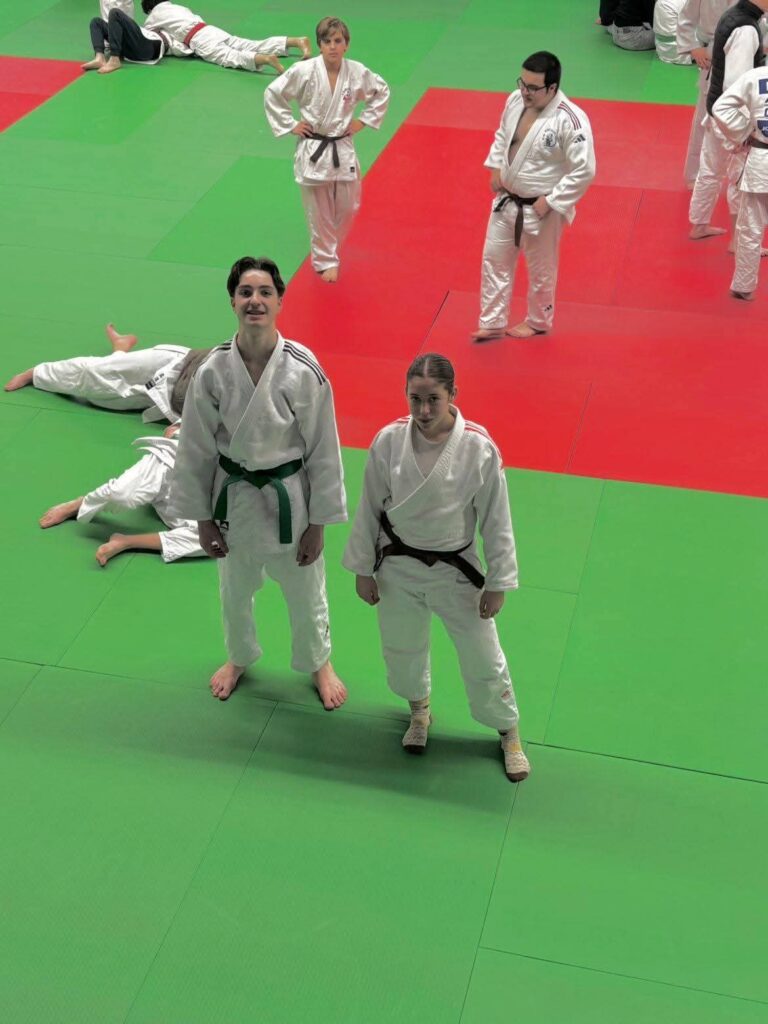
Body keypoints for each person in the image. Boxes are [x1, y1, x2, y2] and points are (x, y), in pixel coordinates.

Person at [342, 353, 530, 783]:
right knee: (402, 647)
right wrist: (362, 568)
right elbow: (369, 508)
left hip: (455, 569)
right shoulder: (389, 441)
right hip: (398, 564)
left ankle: (509, 731)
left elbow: (496, 521)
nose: (424, 410)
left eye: (433, 399)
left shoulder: (478, 447)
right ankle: (419, 712)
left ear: (453, 395)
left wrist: (498, 582)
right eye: (416, 399)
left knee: (483, 655)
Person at [169, 256, 348, 708]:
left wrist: (319, 524)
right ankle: (239, 657)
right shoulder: (213, 370)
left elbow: (324, 450)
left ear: (280, 301)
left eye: (265, 292)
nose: (255, 301)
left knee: (306, 592)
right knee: (234, 590)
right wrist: (202, 520)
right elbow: (195, 449)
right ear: (232, 301)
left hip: (290, 499)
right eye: (245, 292)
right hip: (234, 500)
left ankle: (319, 662)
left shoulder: (302, 368)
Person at [472, 51, 596, 342]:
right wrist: (496, 166)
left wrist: (551, 201)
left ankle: (539, 321)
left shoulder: (571, 119)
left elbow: (585, 169)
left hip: (542, 209)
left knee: (541, 269)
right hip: (506, 201)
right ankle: (492, 322)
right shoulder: (515, 101)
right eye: (522, 83)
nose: (524, 91)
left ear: (552, 88)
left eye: (532, 87)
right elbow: (503, 135)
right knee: (493, 260)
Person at [264, 16, 390, 283]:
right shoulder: (304, 71)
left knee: (349, 206)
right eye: (327, 41)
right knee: (319, 210)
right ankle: (325, 259)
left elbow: (381, 90)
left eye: (338, 41)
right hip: (314, 147)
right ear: (320, 45)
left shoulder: (356, 71)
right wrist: (291, 124)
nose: (333, 46)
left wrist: (363, 121)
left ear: (346, 44)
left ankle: (329, 249)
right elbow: (273, 93)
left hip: (342, 146)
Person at [39, 426, 205, 566]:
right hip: (174, 459)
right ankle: (80, 504)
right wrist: (178, 428)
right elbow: (185, 418)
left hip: (199, 491)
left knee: (212, 541)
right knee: (121, 495)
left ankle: (125, 541)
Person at [4, 324, 210, 425]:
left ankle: (120, 349)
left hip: (175, 399)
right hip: (179, 363)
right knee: (92, 373)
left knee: (105, 399)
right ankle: (36, 373)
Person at [688, 0, 766, 245]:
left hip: (716, 110)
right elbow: (735, 84)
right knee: (740, 178)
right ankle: (737, 241)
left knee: (710, 170)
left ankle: (699, 224)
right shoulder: (746, 29)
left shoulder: (734, 14)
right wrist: (744, 130)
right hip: (731, 118)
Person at [712, 63, 768, 296]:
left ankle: (744, 287)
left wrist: (744, 133)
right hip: (760, 162)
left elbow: (720, 107)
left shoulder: (756, 76)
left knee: (751, 227)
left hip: (761, 161)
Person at [141, 1, 310, 73]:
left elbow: (149, 33)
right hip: (209, 29)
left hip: (197, 38)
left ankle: (265, 59)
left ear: (148, 9)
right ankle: (295, 41)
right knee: (248, 44)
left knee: (229, 57)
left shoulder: (153, 16)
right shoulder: (176, 6)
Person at [677, 0, 736, 187]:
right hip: (712, 55)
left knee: (749, 122)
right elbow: (686, 17)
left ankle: (745, 179)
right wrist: (693, 47)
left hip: (746, 55)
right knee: (704, 121)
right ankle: (694, 176)